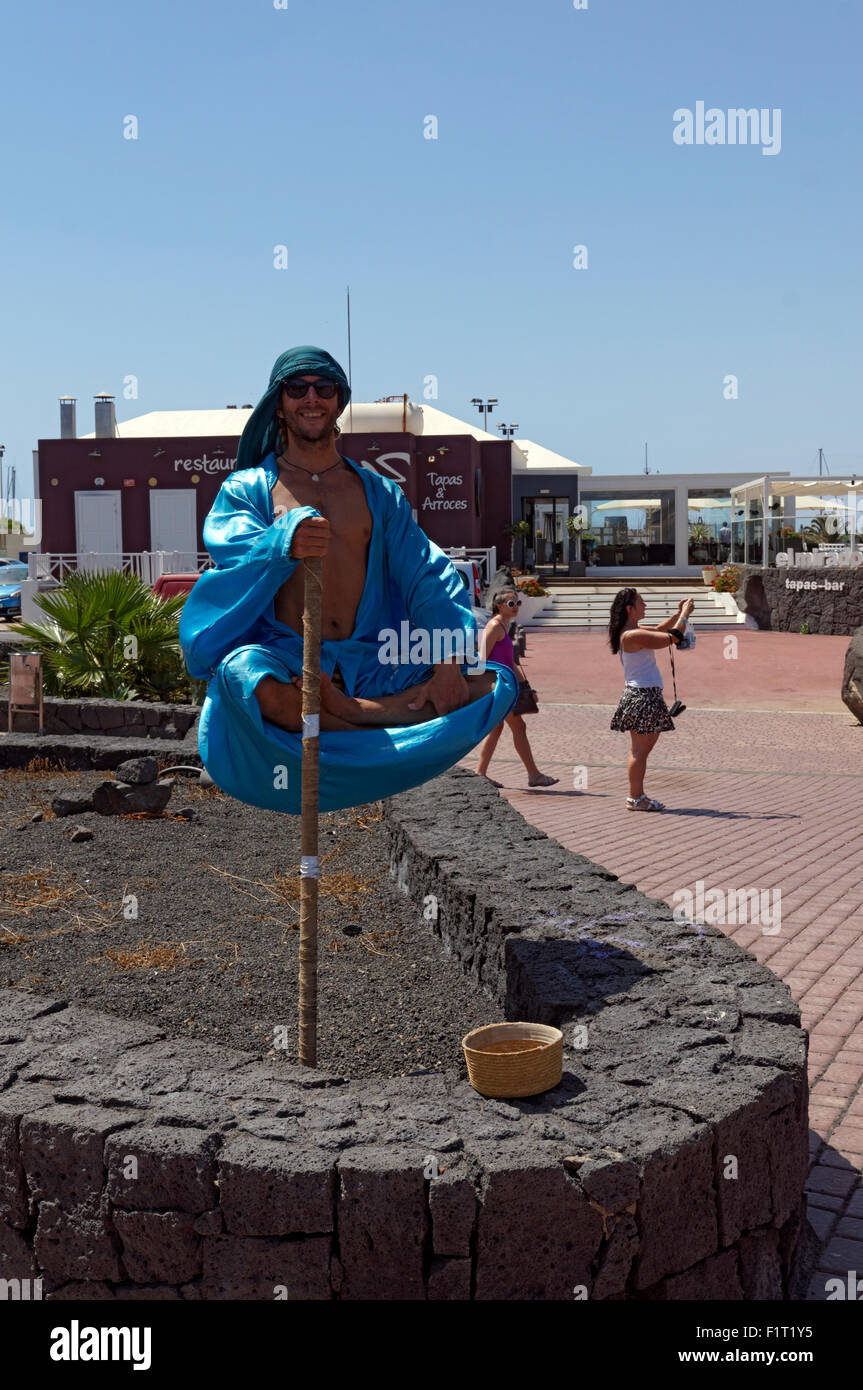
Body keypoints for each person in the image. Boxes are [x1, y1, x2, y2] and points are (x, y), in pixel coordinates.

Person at [178, 346, 517, 813]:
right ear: (279, 403)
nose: (311, 398)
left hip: (373, 660)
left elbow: (426, 573)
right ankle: (379, 729)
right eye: (297, 388)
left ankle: (350, 712)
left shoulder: (379, 492)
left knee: (492, 683)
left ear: (340, 401)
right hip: (287, 655)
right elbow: (233, 554)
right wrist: (282, 542)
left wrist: (445, 662)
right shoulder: (247, 489)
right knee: (247, 680)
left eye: (325, 388)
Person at [607, 588, 694, 811]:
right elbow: (672, 638)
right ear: (630, 609)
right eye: (641, 603)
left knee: (640, 750)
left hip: (642, 695)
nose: (645, 606)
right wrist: (685, 614)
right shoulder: (633, 635)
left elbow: (658, 630)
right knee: (640, 750)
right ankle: (635, 798)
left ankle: (637, 796)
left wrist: (676, 615)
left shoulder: (632, 630)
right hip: (642, 696)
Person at [474, 587, 559, 789]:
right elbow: (482, 660)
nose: (515, 607)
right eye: (511, 604)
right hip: (499, 687)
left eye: (517, 603)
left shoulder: (504, 626)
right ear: (499, 606)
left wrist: (526, 687)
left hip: (506, 684)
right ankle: (534, 775)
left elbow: (510, 662)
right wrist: (492, 685)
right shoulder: (494, 626)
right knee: (518, 727)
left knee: (496, 729)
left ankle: (480, 773)